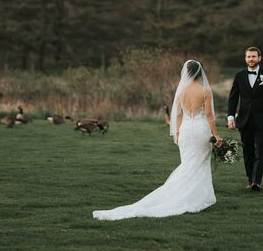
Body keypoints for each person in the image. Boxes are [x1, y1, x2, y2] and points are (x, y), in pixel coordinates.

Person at [92, 60, 223, 220]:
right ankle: (195, 197)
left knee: (188, 163)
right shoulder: (205, 91)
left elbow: (178, 115)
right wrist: (216, 135)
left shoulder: (181, 91)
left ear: (187, 72)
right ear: (200, 72)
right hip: (200, 130)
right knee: (199, 163)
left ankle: (188, 195)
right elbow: (209, 115)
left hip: (186, 131)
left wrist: (176, 134)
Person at [227, 46, 263, 191]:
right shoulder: (239, 76)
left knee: (260, 151)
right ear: (245, 58)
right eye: (248, 56)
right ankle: (250, 179)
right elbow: (233, 98)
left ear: (259, 58)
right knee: (248, 152)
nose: (251, 59)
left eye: (253, 56)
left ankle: (256, 181)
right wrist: (231, 117)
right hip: (244, 120)